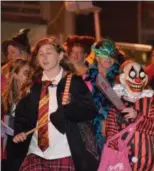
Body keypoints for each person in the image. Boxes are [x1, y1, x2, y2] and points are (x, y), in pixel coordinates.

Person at [12, 36, 99, 171]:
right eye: (41, 54)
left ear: (60, 56)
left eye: (49, 53)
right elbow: (22, 116)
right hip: (35, 153)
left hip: (64, 152)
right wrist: (20, 132)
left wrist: (69, 108)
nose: (44, 57)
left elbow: (90, 110)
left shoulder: (73, 82)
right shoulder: (32, 84)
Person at [104, 60, 154, 170]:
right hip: (122, 163)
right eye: (132, 75)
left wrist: (138, 117)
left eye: (140, 75)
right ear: (123, 78)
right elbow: (111, 135)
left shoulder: (150, 101)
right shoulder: (116, 103)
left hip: (146, 164)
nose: (137, 79)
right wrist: (114, 159)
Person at [1, 58, 32, 171]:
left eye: (30, 73)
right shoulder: (6, 96)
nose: (29, 77)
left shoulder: (31, 95)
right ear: (15, 74)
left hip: (26, 143)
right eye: (25, 73)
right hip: (10, 144)